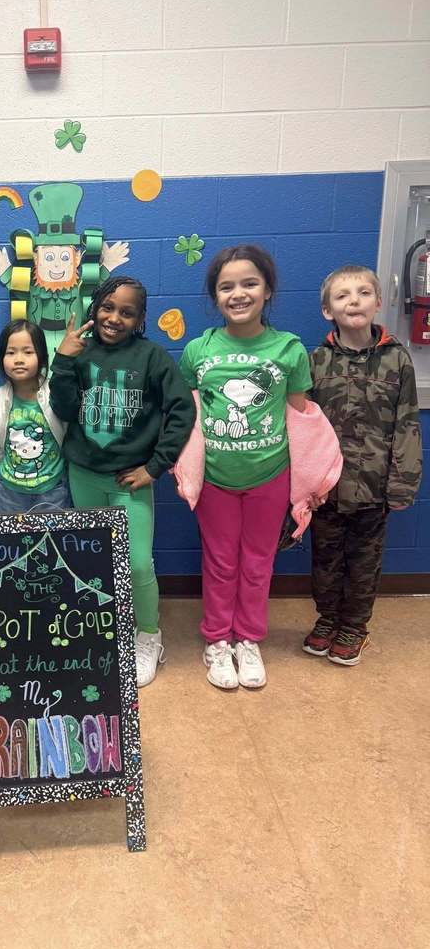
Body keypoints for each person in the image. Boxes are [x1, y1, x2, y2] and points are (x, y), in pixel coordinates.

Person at [49, 276, 195, 688]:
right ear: (95, 308)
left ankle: (148, 634)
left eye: (127, 312)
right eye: (108, 307)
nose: (115, 318)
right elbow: (62, 409)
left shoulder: (151, 357)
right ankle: (102, 629)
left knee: (137, 562)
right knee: (92, 563)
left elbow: (181, 410)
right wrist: (62, 361)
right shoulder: (79, 352)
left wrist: (155, 466)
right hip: (84, 475)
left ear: (140, 318)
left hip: (131, 480)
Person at [179, 245, 312, 690]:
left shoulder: (289, 349)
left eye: (249, 283)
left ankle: (248, 639)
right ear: (215, 296)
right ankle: (217, 640)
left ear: (268, 290)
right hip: (216, 478)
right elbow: (187, 416)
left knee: (257, 563)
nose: (238, 293)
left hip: (270, 475)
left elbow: (303, 419)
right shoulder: (199, 349)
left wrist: (312, 479)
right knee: (220, 562)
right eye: (226, 286)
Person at [304, 265, 422, 665]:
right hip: (326, 488)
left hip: (374, 489)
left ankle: (354, 627)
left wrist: (403, 482)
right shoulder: (315, 361)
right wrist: (304, 485)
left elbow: (407, 423)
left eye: (362, 293)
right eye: (342, 295)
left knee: (364, 561)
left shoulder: (397, 361)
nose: (353, 301)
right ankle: (327, 620)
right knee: (326, 558)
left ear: (378, 302)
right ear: (327, 310)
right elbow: (303, 428)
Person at [0, 320, 69, 513]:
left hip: (52, 488)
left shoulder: (58, 394)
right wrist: (5, 464)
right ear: (1, 358)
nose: (19, 359)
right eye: (11, 353)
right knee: (17, 542)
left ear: (42, 357)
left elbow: (69, 432)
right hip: (11, 491)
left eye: (28, 352)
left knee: (51, 541)